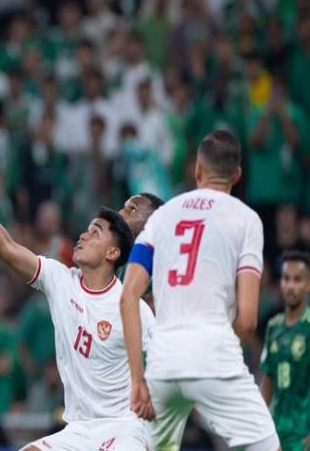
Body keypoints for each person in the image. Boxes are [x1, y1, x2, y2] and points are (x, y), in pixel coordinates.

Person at [0, 171, 155, 450]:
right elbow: (7, 248)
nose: (83, 235)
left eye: (95, 232)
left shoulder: (132, 306)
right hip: (79, 429)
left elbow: (166, 365)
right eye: (87, 229)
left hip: (123, 427)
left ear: (112, 254)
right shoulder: (61, 280)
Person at [120, 129, 280, 450]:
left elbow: (128, 297)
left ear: (197, 170)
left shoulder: (161, 217)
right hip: (213, 351)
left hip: (163, 362)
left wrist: (138, 379)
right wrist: (218, 356)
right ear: (237, 175)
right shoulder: (246, 220)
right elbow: (248, 319)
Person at [260, 250, 310, 451]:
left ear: (308, 285)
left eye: (297, 280)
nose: (290, 286)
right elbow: (268, 380)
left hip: (303, 433)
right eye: (286, 279)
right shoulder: (273, 327)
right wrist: (260, 426)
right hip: (277, 433)